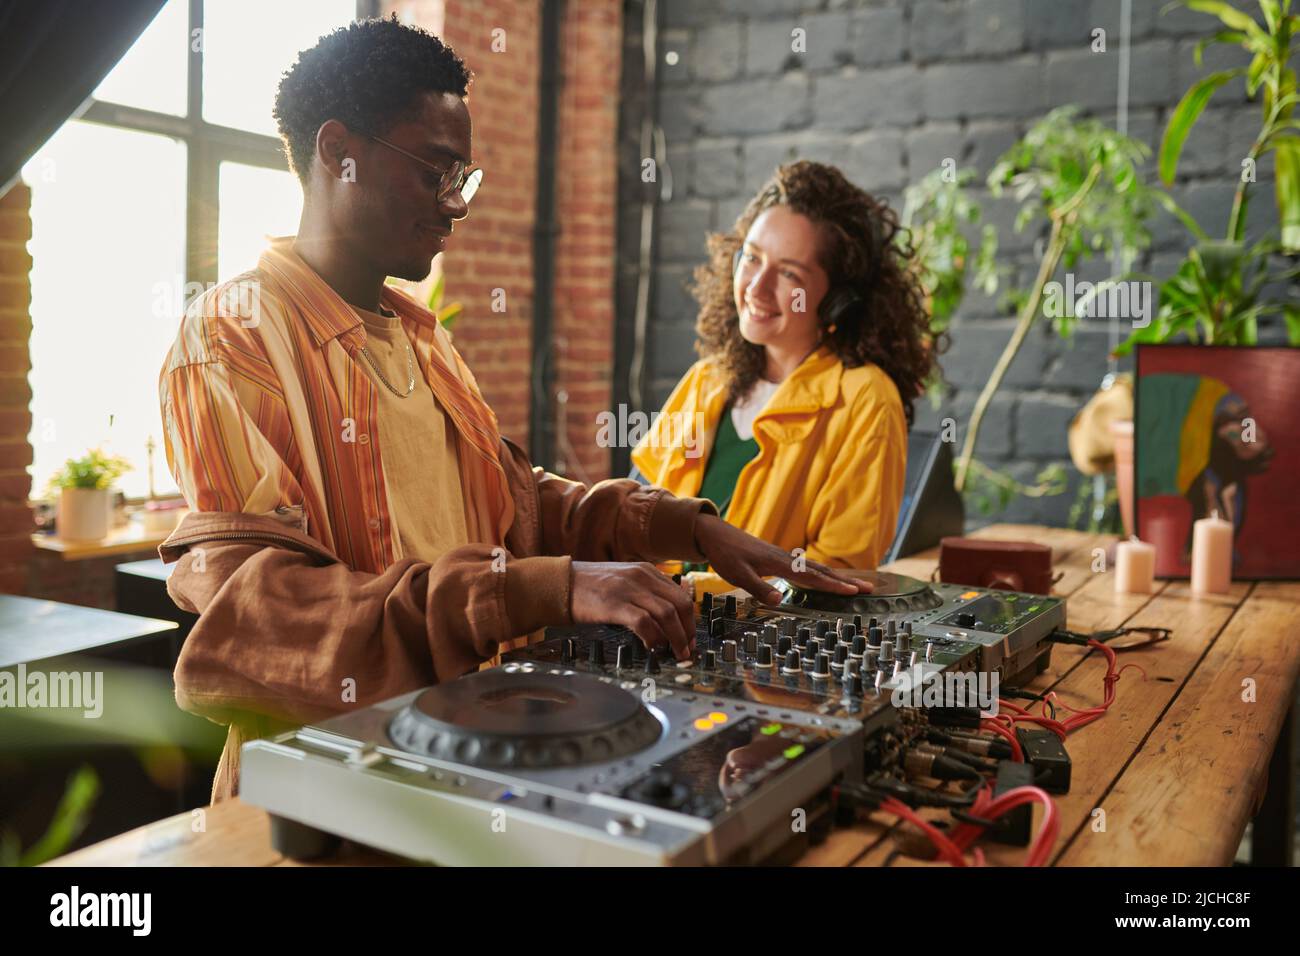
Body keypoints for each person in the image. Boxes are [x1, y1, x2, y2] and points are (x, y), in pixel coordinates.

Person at [156, 17, 864, 800]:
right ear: (337, 151)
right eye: (434, 171)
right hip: (327, 800)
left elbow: (510, 506)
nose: (455, 204)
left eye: (464, 175)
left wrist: (683, 525)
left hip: (469, 767)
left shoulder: (424, 341)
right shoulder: (235, 333)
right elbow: (262, 619)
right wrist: (544, 588)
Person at [632, 161, 937, 597]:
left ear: (836, 300)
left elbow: (836, 578)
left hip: (758, 654)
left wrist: (686, 592)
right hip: (655, 634)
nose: (756, 287)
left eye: (789, 273)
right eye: (751, 258)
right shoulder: (706, 380)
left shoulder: (865, 399)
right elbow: (637, 523)